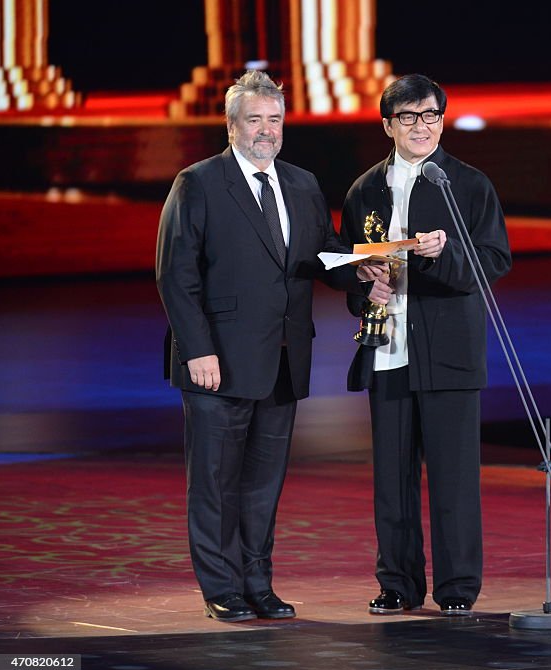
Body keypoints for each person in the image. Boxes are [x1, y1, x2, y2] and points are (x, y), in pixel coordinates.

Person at [156, 70, 390, 622]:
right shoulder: (199, 183)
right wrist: (198, 350)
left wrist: (363, 270)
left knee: (263, 484)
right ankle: (222, 589)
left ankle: (258, 583)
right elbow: (175, 274)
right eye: (255, 119)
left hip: (283, 359)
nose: (266, 130)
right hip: (218, 361)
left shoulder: (303, 184)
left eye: (274, 119)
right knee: (215, 483)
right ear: (232, 124)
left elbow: (321, 254)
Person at [337, 74, 512, 616]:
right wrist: (364, 281)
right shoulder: (364, 189)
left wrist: (446, 253)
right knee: (391, 479)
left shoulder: (467, 184)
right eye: (409, 117)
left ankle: (458, 588)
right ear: (388, 125)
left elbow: (494, 262)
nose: (422, 126)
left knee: (453, 480)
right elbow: (348, 266)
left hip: (449, 355)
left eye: (431, 115)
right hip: (387, 347)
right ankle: (398, 583)